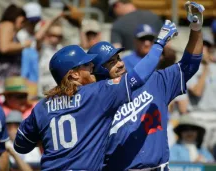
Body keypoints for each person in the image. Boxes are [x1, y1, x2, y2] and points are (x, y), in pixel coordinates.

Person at [13, 20, 177, 170]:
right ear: (73, 75)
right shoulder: (95, 94)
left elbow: (21, 146)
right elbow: (138, 76)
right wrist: (159, 44)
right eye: (85, 64)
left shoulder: (42, 106)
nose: (91, 66)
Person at [87, 1, 205, 170]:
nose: (119, 64)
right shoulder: (93, 97)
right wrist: (158, 44)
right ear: (98, 70)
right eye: (110, 63)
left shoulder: (155, 80)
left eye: (118, 58)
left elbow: (190, 64)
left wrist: (196, 29)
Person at [0, 4, 31, 94]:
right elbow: (4, 47)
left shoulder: (7, 26)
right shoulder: (7, 25)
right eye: (22, 20)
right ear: (17, 16)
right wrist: (24, 45)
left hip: (8, 79)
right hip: (1, 79)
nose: (22, 25)